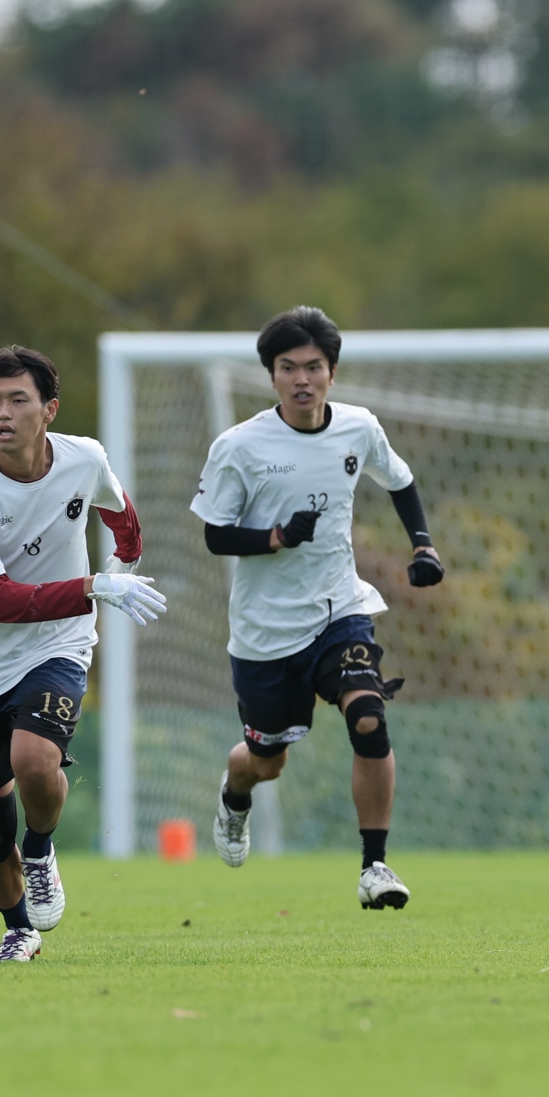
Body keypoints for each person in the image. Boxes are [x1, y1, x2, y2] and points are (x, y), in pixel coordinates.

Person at [0, 345, 165, 962]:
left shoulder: (84, 459)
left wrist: (123, 565)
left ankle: (40, 849)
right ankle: (17, 928)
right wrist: (93, 586)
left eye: (18, 400)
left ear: (49, 409)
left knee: (33, 760)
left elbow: (122, 516)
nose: (3, 413)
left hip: (59, 643)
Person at [192, 306, 443, 910]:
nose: (301, 379)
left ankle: (375, 866)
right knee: (266, 762)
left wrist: (423, 545)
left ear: (332, 372)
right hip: (266, 632)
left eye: (313, 367)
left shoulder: (359, 427)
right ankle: (234, 795)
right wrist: (276, 536)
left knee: (368, 717)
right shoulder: (240, 446)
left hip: (339, 609)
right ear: (271, 375)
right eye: (288, 368)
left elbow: (400, 480)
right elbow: (216, 535)